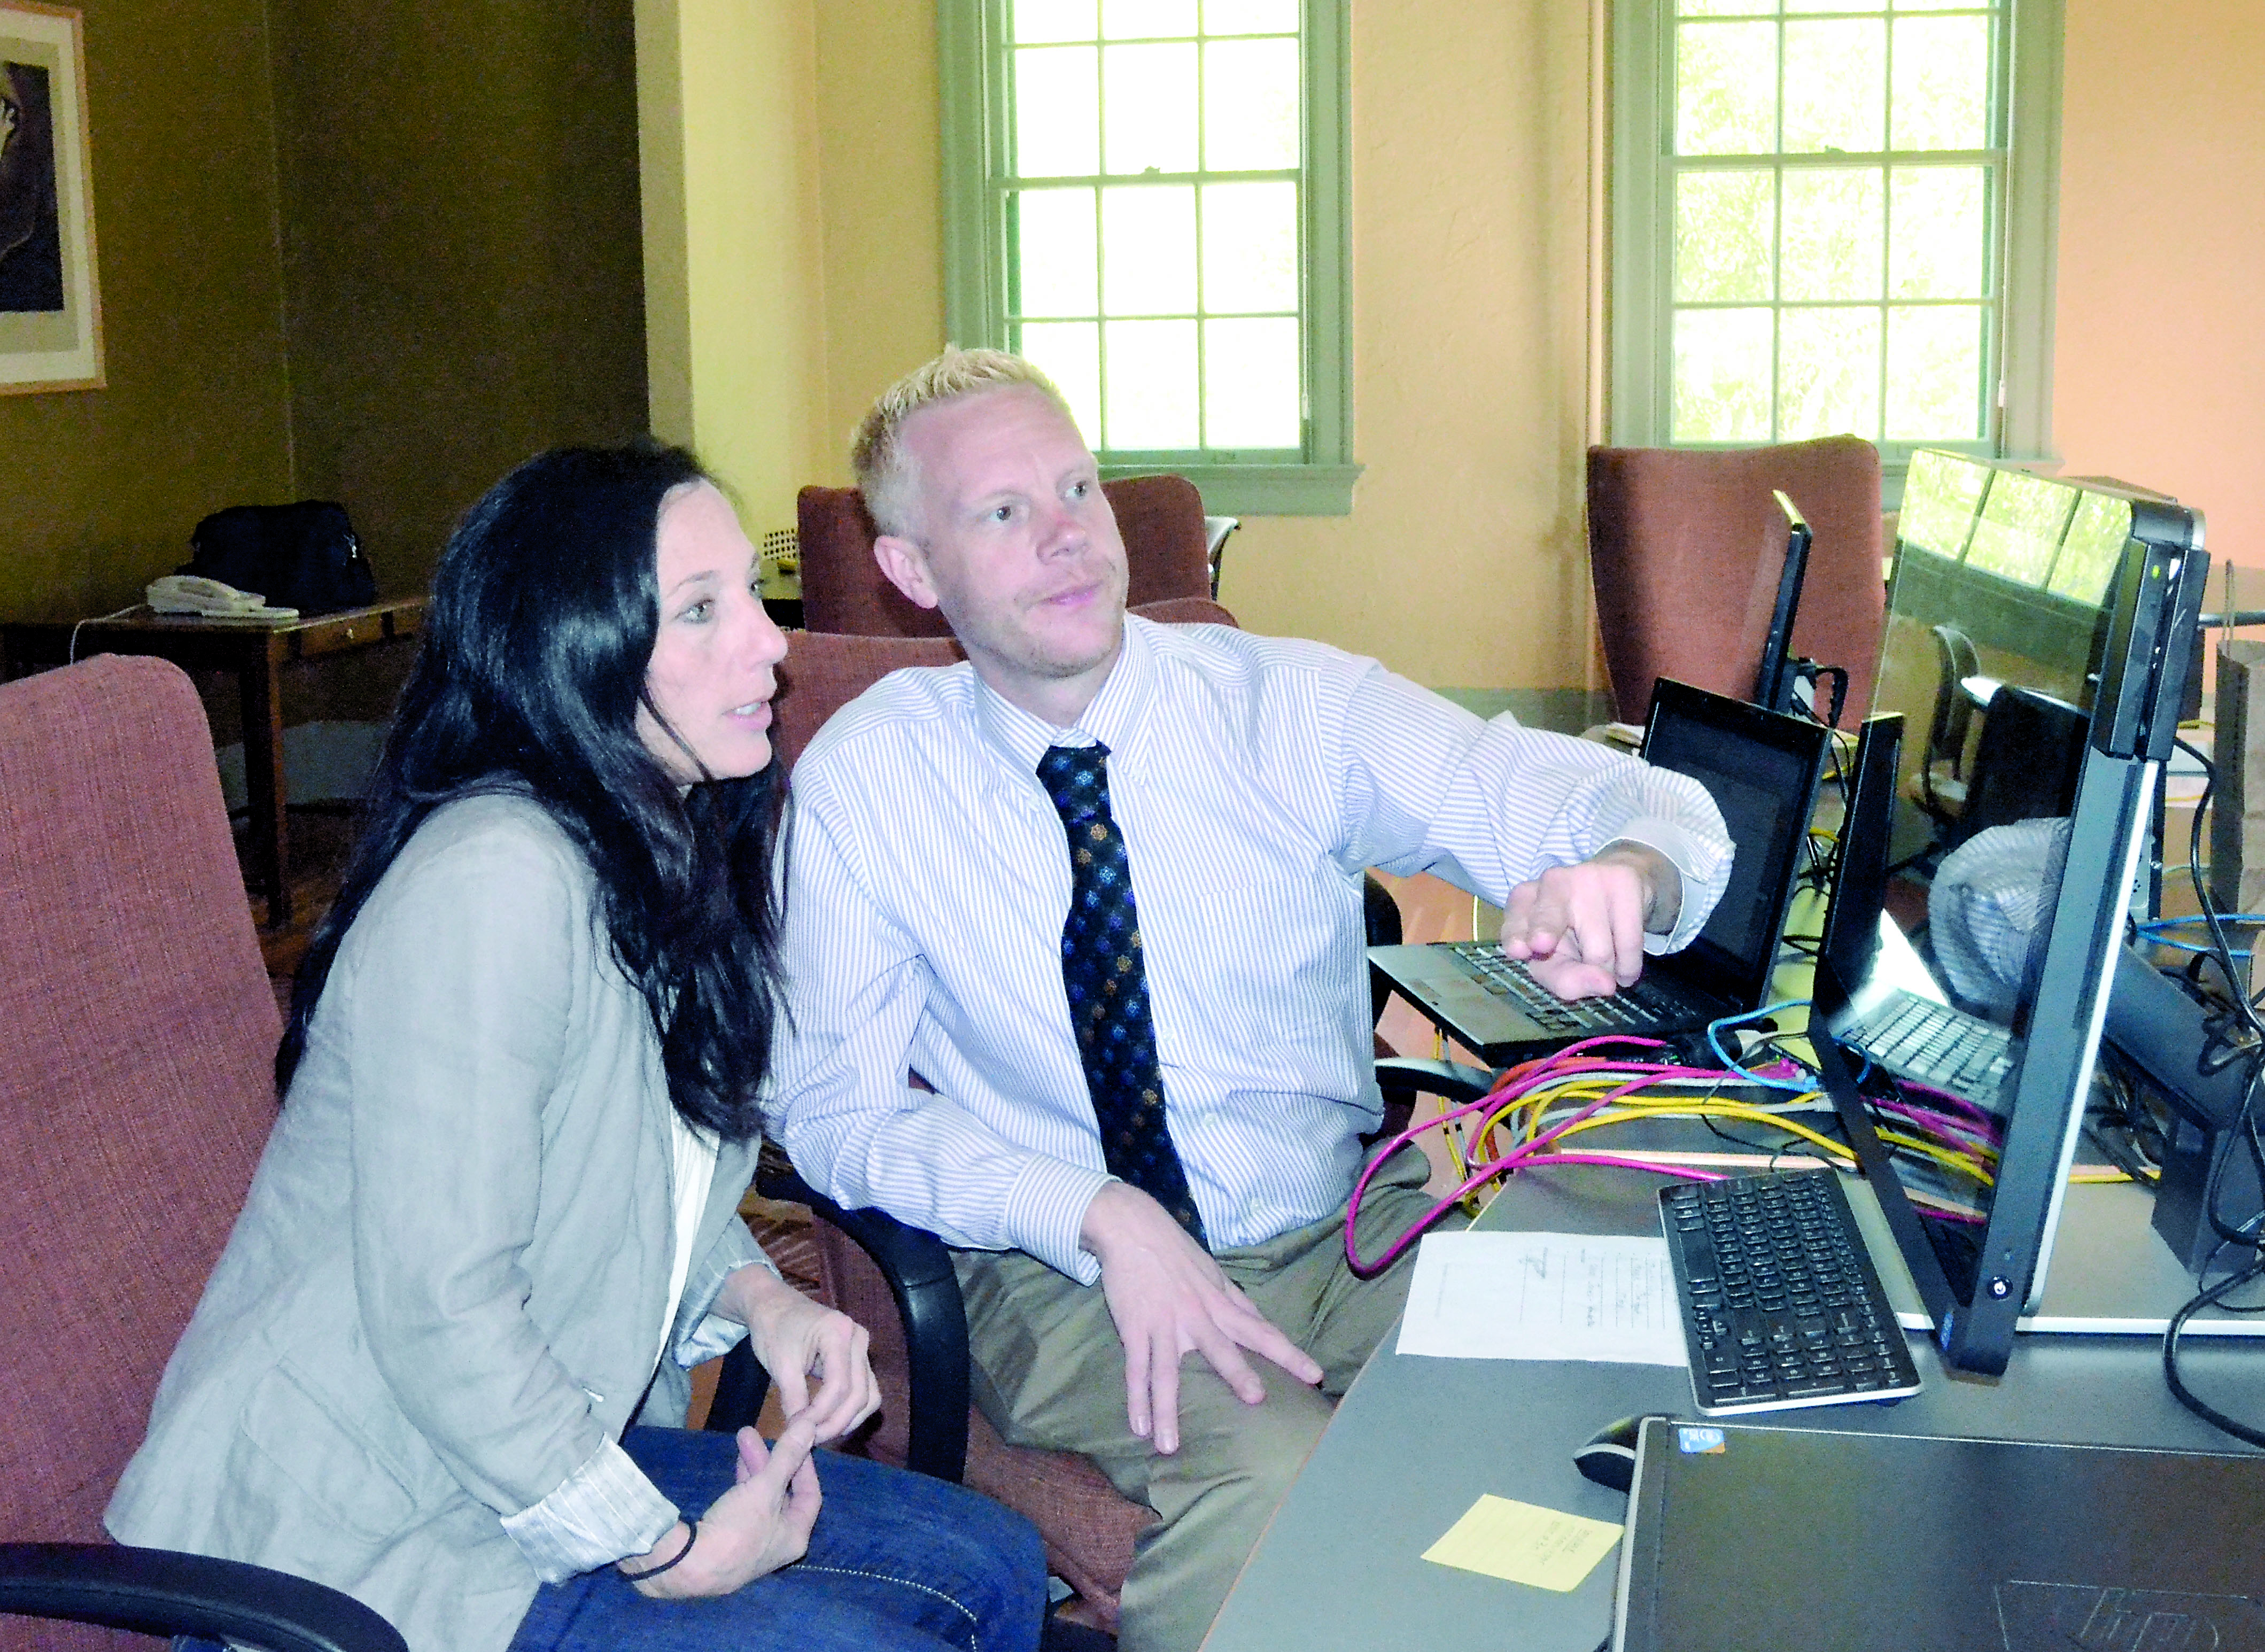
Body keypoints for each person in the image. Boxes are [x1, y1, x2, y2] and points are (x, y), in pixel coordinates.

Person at [764, 348, 1735, 1651]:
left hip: (1339, 1230)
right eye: (1001, 511)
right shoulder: (871, 780)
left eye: (1076, 488)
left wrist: (1629, 867)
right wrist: (1092, 1212)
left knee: (1614, 1392)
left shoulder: (1291, 708)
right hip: (1064, 1275)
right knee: (1281, 1490)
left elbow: (1641, 800)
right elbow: (833, 1111)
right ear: (912, 570)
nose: (1066, 536)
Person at [105, 444, 1045, 1652]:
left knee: (993, 1569)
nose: (768, 643)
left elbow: (625, 1180)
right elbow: (442, 1311)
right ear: (573, 650)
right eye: (699, 610)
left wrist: (763, 1300)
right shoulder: (494, 882)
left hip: (515, 1453)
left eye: (745, 596)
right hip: (358, 1537)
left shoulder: (652, 850)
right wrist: (664, 1551)